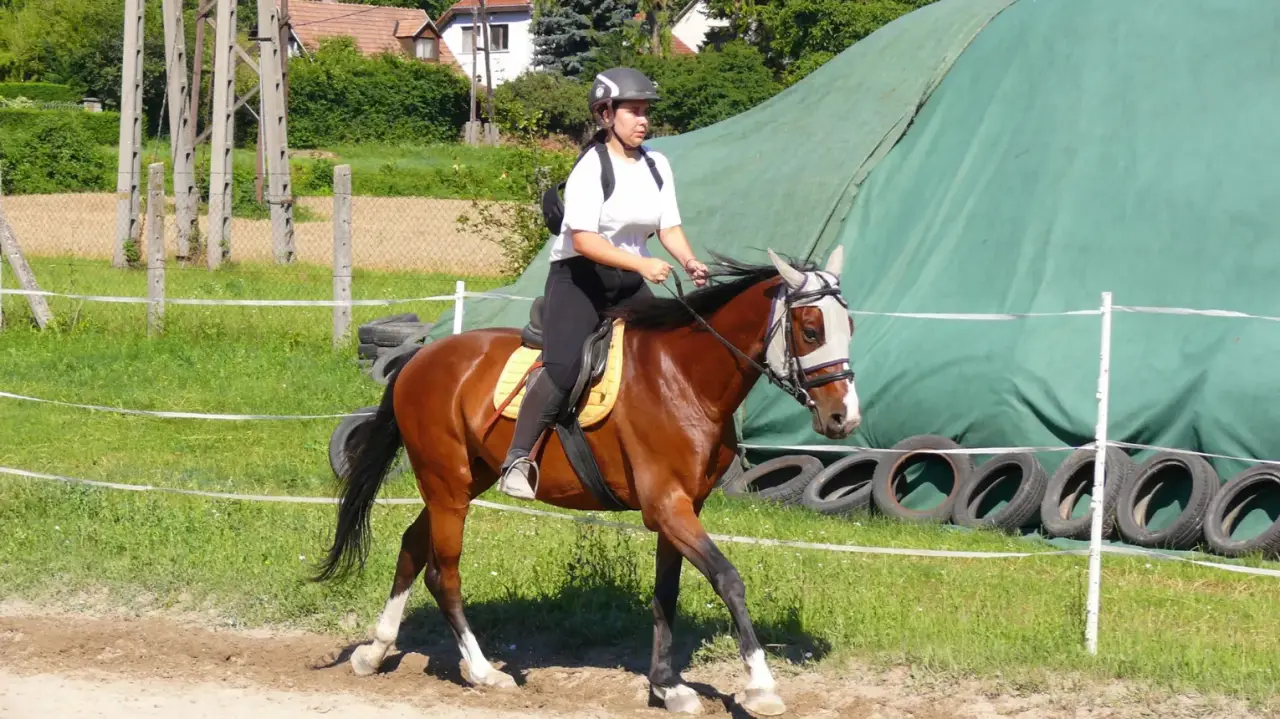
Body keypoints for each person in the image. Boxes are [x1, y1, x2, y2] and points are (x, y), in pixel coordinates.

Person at [497, 66, 709, 500]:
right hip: (580, 279)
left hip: (628, 281)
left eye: (646, 111)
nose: (643, 119)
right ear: (605, 114)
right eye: (633, 110)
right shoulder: (591, 167)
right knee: (565, 366)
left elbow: (669, 226)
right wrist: (642, 264)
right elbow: (585, 240)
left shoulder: (658, 165)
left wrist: (688, 260)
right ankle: (518, 459)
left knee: (668, 353)